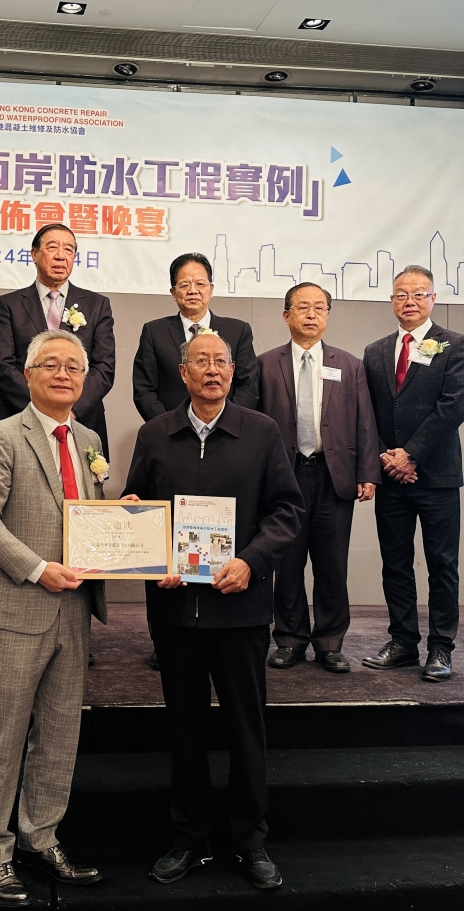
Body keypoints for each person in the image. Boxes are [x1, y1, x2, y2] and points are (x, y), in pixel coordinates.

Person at [123, 332, 302, 891]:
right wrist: (145, 545)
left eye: (221, 361)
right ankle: (189, 837)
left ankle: (250, 840)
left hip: (240, 609)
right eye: (200, 360)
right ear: (183, 372)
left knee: (247, 728)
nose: (212, 369)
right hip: (175, 611)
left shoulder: (261, 432)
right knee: (185, 729)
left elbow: (287, 511)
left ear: (233, 371)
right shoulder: (156, 434)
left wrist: (250, 561)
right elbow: (136, 504)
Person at [0, 330, 107, 908]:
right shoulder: (0, 436)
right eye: (51, 364)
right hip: (19, 607)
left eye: (74, 366)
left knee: (59, 733)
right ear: (28, 374)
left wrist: (120, 518)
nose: (63, 374)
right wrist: (37, 568)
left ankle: (40, 838)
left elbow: (89, 518)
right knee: (3, 735)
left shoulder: (90, 439)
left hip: (75, 609)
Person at [257, 283, 381, 673]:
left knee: (332, 564)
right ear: (286, 315)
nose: (311, 314)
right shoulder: (265, 364)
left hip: (334, 475)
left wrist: (368, 472)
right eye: (302, 307)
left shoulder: (350, 364)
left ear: (327, 315)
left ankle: (330, 642)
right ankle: (290, 639)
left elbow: (365, 422)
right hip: (285, 476)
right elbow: (255, 424)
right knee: (287, 563)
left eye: (319, 308)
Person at [361, 265, 464, 682]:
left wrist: (411, 455)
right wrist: (387, 458)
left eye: (417, 294)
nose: (409, 301)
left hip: (437, 476)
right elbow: (367, 412)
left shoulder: (454, 344)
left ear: (432, 299)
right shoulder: (375, 351)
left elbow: (453, 407)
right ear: (392, 301)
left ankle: (441, 648)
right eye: (400, 295)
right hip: (391, 476)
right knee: (395, 562)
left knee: (442, 564)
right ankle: (403, 642)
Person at [0, 223, 115, 458]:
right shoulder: (9, 305)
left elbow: (104, 367)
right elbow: (2, 367)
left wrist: (70, 410)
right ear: (34, 254)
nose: (60, 255)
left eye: (68, 249)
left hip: (82, 419)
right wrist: (42, 412)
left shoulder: (97, 305)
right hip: (24, 419)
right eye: (52, 247)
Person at [132, 251, 260, 419]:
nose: (193, 291)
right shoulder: (154, 332)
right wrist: (168, 426)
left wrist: (226, 423)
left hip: (227, 429)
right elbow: (144, 390)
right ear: (173, 293)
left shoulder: (237, 331)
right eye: (184, 285)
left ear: (211, 289)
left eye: (200, 284)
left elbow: (248, 387)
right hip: (171, 429)